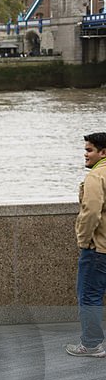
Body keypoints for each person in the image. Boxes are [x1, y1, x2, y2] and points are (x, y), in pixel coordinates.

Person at [67, 131, 106, 357]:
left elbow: (90, 212)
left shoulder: (96, 176)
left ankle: (91, 344)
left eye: (89, 150)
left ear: (103, 152)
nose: (85, 154)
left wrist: (83, 240)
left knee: (89, 296)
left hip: (98, 249)